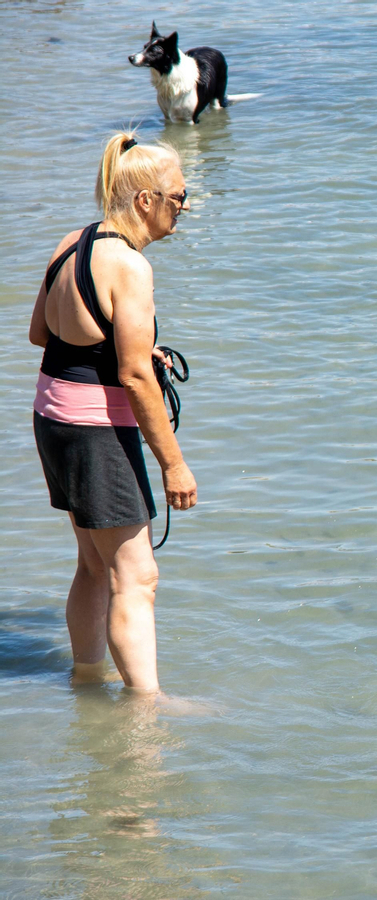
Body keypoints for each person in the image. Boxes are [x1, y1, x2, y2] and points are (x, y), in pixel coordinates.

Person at [28, 132, 198, 693]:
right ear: (144, 200)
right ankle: (147, 713)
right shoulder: (130, 266)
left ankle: (86, 681)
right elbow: (133, 376)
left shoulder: (71, 242)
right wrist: (174, 465)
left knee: (93, 565)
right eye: (178, 196)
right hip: (95, 429)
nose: (185, 206)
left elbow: (41, 333)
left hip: (53, 418)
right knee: (137, 576)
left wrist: (114, 342)